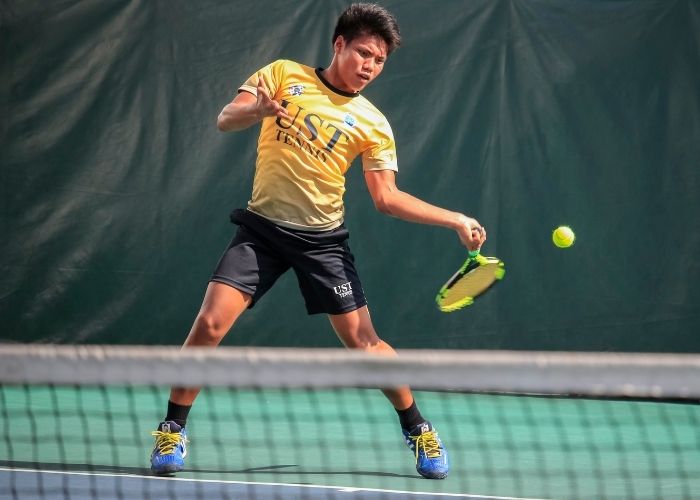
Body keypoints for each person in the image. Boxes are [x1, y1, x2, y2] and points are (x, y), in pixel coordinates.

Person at [150, 2, 486, 480]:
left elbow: (386, 198)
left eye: (379, 61)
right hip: (262, 232)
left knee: (365, 344)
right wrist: (258, 109)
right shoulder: (283, 74)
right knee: (208, 325)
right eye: (363, 53)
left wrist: (454, 219)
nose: (370, 66)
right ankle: (172, 428)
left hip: (322, 243)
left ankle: (418, 429)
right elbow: (227, 118)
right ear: (339, 45)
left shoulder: (373, 124)